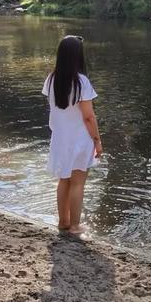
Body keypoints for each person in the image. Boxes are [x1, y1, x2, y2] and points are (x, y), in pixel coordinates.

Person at [41, 34, 103, 234]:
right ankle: (75, 226)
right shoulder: (81, 82)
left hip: (59, 138)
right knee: (77, 183)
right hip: (79, 140)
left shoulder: (51, 79)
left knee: (64, 180)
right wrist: (97, 141)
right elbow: (88, 117)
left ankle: (63, 222)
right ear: (78, 56)